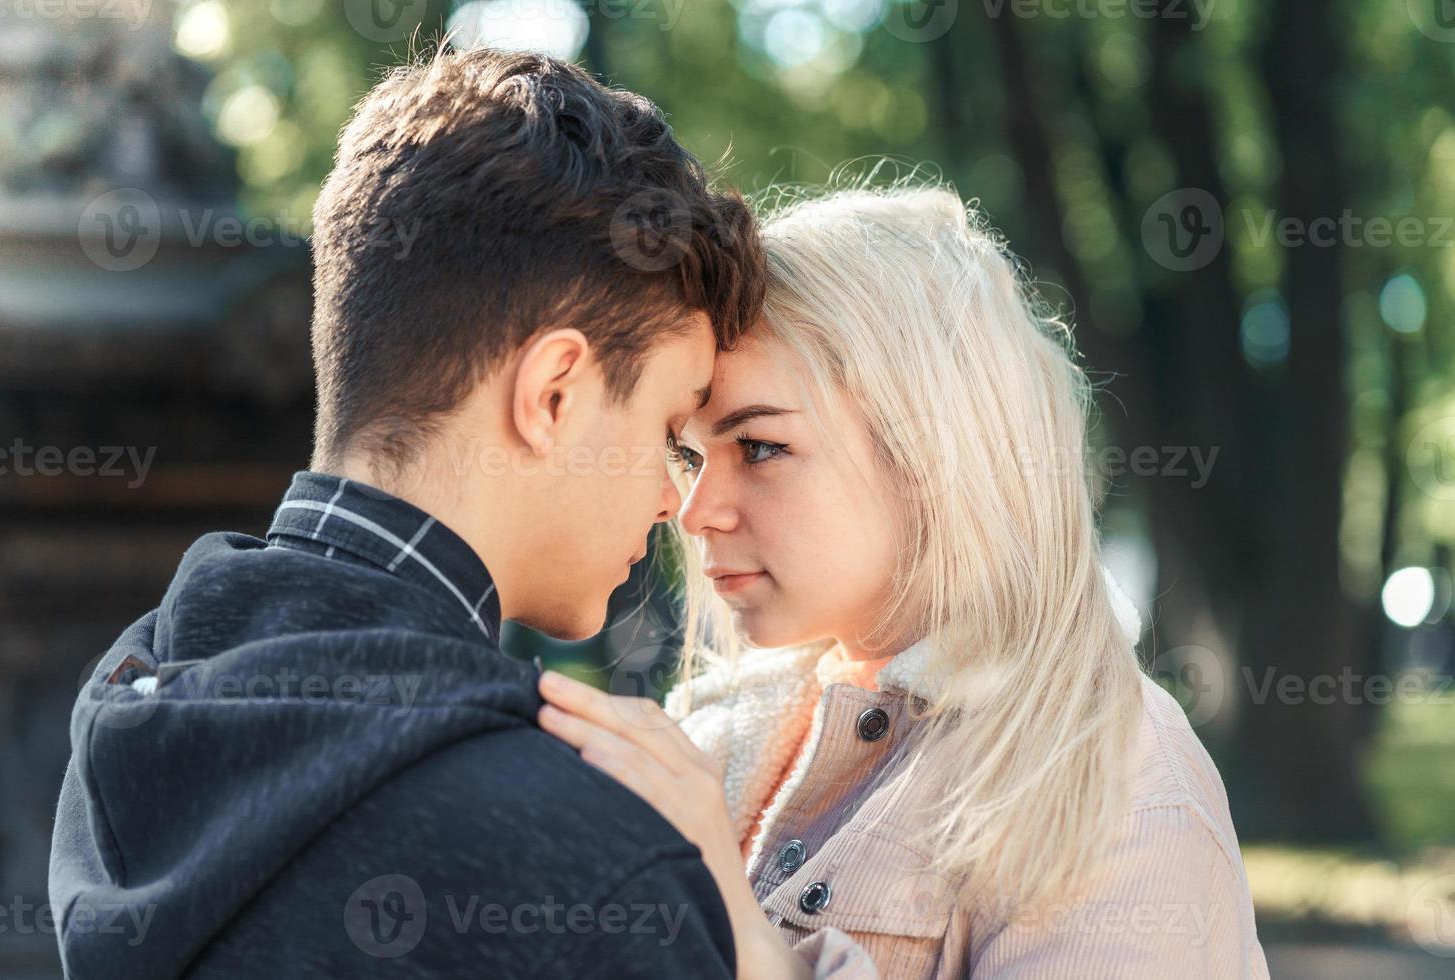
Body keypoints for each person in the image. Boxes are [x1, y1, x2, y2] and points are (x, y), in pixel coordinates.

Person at [48, 46, 766, 978]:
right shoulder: (593, 869)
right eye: (669, 430)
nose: (677, 498)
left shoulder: (124, 732)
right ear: (554, 394)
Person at [537, 182, 1272, 978]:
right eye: (688, 456)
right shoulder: (716, 732)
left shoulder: (1110, 777)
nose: (695, 511)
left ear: (932, 448)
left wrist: (735, 926)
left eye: (758, 448)